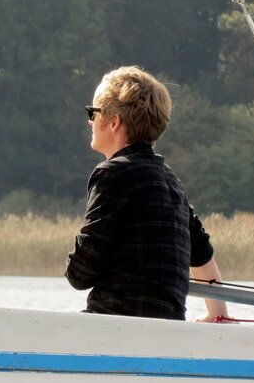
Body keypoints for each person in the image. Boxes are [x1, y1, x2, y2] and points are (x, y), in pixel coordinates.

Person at [65, 66, 227, 321]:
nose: (90, 121)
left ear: (114, 121)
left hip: (116, 325)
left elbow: (80, 274)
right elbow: (202, 252)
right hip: (167, 327)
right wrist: (218, 315)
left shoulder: (112, 174)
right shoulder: (171, 181)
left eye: (93, 113)